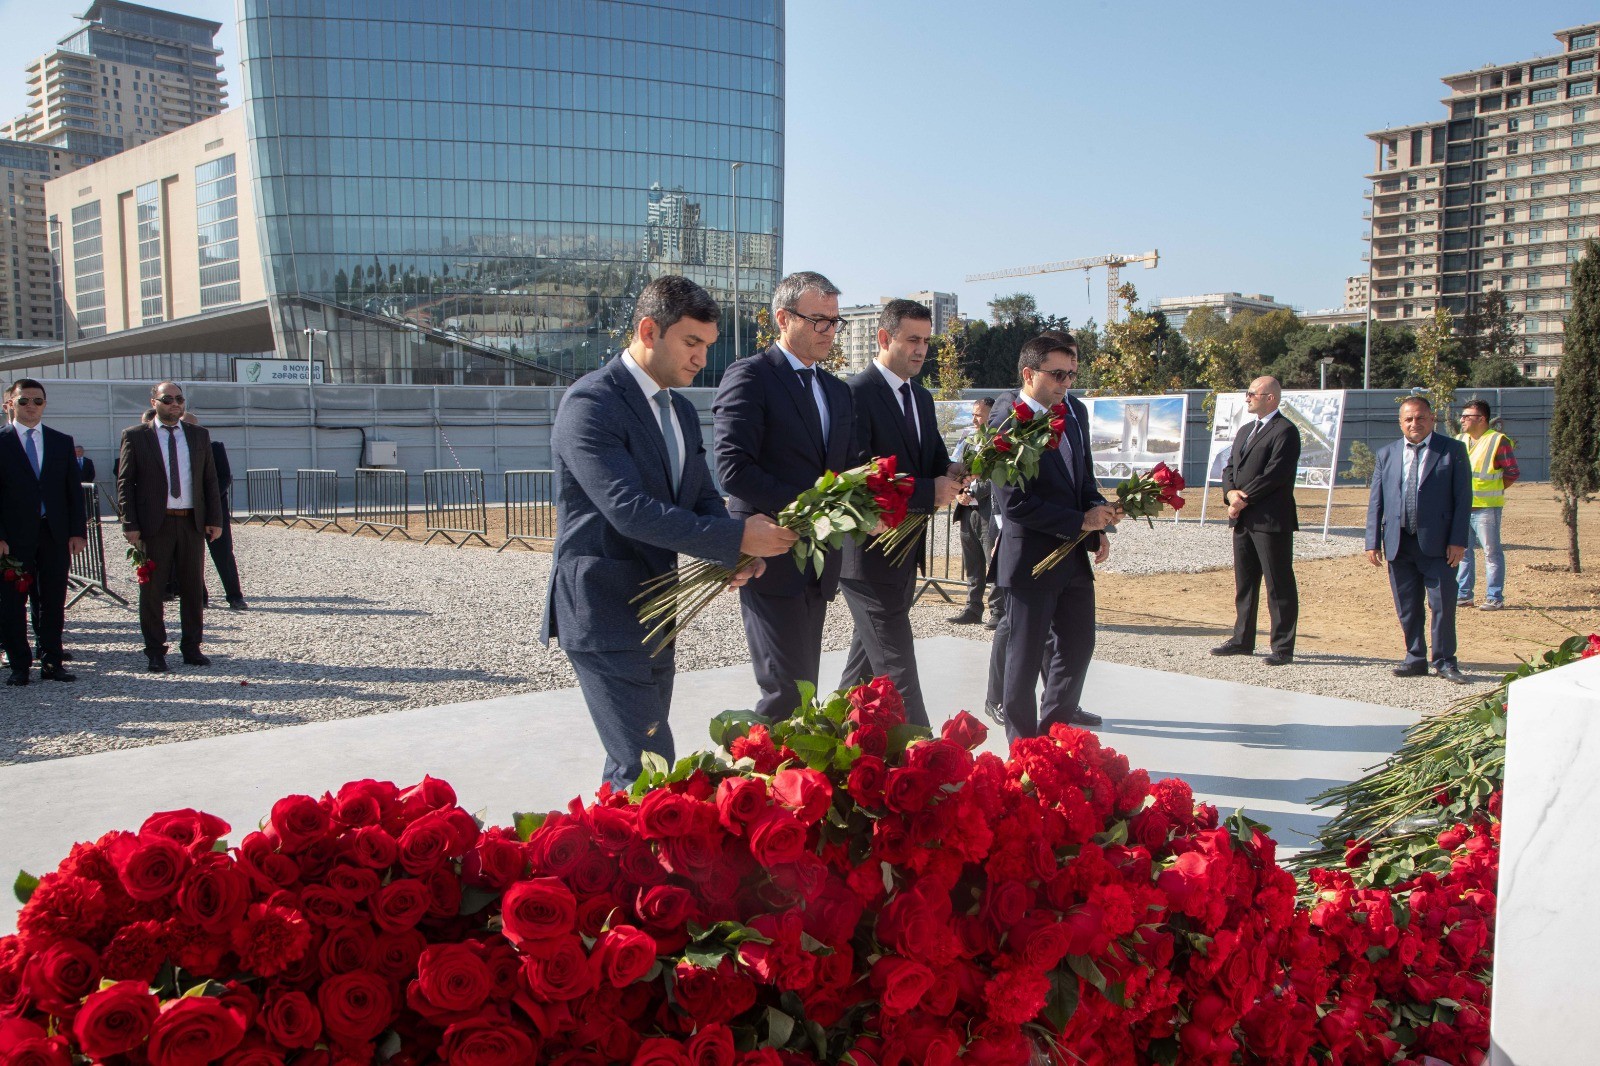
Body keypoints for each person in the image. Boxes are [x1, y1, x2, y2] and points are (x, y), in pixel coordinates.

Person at [540, 276, 795, 790]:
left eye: (708, 345)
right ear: (649, 330)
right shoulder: (591, 403)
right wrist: (736, 539)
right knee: (648, 766)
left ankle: (611, 858)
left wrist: (733, 552)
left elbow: (699, 496)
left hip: (658, 611)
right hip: (602, 610)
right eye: (692, 342)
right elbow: (629, 511)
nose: (702, 358)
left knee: (634, 766)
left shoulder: (678, 408)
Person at [714, 270, 856, 720]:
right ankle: (766, 786)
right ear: (783, 317)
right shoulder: (751, 376)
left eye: (835, 321)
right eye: (818, 320)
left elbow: (841, 469)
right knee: (785, 694)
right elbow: (733, 469)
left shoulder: (836, 390)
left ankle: (794, 782)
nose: (829, 331)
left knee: (804, 688)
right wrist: (812, 506)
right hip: (768, 556)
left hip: (818, 560)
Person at [836, 299, 962, 726]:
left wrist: (956, 473)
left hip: (904, 553)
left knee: (862, 673)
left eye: (926, 341)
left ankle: (825, 737)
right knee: (898, 668)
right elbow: (859, 477)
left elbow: (933, 458)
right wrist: (931, 490)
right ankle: (930, 762)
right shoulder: (854, 394)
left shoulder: (922, 399)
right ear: (884, 338)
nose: (922, 349)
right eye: (913, 339)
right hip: (867, 558)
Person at [989, 333, 1119, 742]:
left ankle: (1053, 735)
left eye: (1072, 374)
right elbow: (1015, 505)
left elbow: (1083, 478)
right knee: (1024, 661)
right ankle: (1023, 748)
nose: (1067, 383)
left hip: (1074, 557)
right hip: (1030, 560)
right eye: (1058, 374)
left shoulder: (1072, 414)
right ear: (1029, 374)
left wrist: (1099, 520)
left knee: (1079, 646)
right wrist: (1081, 520)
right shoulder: (1007, 424)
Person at [117, 382, 224, 672]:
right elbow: (125, 482)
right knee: (152, 590)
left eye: (179, 399)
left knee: (192, 587)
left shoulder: (198, 435)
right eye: (168, 399)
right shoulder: (136, 436)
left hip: (190, 521)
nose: (175, 404)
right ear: (154, 402)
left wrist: (214, 519)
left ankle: (192, 648)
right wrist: (130, 523)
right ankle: (155, 650)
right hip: (155, 524)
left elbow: (209, 480)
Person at [1366, 395, 1471, 684]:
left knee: (1442, 605)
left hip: (1439, 546)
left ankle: (1445, 661)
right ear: (1400, 422)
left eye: (1420, 417)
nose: (1415, 423)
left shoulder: (1452, 450)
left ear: (1431, 419)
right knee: (1408, 605)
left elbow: (1463, 500)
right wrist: (1372, 540)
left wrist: (1458, 541)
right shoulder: (1387, 454)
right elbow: (1377, 500)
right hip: (1399, 544)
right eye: (1408, 419)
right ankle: (1415, 658)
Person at [0, 380, 88, 685]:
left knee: (52, 599)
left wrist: (77, 531)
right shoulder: (2, 441)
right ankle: (19, 665)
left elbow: (73, 493)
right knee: (12, 602)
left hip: (54, 534)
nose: (31, 407)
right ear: (10, 404)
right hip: (12, 539)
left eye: (37, 401)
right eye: (24, 401)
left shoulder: (60, 441)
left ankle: (51, 660)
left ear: (44, 405)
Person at [1212, 375, 1302, 666]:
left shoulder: (1285, 431)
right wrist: (1230, 494)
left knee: (1278, 584)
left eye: (1252, 393)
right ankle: (1242, 639)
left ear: (1270, 398)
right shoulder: (1246, 430)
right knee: (1245, 582)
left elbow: (1275, 475)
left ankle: (1282, 646)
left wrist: (1243, 497)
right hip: (1243, 519)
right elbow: (1229, 466)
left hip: (1270, 520)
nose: (1247, 397)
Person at [167, 413, 248, 610]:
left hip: (214, 511)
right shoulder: (174, 450)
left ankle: (234, 596)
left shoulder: (214, 447)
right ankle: (200, 596)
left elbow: (224, 478)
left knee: (223, 554)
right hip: (187, 514)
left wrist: (204, 500)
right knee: (191, 556)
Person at [1455, 398, 1518, 612]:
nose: (1461, 419)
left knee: (1491, 553)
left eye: (1466, 416)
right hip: (1462, 508)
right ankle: (1464, 595)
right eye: (1462, 415)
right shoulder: (1460, 439)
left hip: (1486, 508)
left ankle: (1494, 597)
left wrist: (1495, 491)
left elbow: (1512, 473)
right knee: (1462, 552)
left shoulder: (1498, 441)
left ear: (1481, 419)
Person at [949, 397, 999, 626]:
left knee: (994, 561)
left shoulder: (1000, 442)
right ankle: (973, 608)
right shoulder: (969, 441)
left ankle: (998, 612)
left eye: (979, 414)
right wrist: (959, 492)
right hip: (967, 512)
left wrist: (976, 492)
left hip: (989, 512)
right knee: (973, 562)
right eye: (973, 414)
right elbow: (959, 471)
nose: (974, 419)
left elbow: (1000, 477)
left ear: (992, 413)